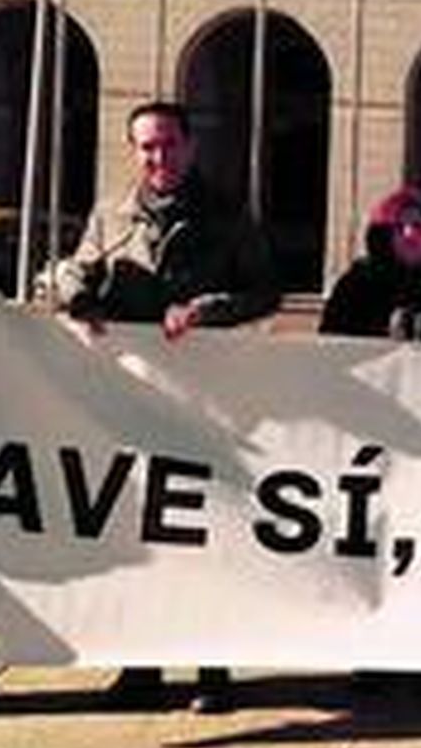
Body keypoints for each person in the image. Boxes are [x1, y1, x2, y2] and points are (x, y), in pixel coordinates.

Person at [53, 99, 280, 714]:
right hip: (130, 399)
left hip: (207, 404)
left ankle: (212, 667)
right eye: (147, 147)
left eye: (169, 145)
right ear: (135, 152)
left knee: (207, 534)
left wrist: (210, 309)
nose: (159, 157)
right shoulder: (111, 214)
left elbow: (265, 291)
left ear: (190, 147)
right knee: (138, 533)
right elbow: (77, 271)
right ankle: (141, 664)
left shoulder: (228, 215)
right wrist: (77, 296)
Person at [319, 187, 421, 344]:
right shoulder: (357, 284)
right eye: (399, 227)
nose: (409, 234)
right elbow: (329, 343)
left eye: (418, 226)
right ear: (385, 235)